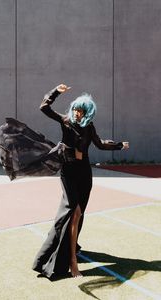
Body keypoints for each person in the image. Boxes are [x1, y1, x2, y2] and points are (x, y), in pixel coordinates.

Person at [32, 84, 129, 278]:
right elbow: (44, 107)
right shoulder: (66, 121)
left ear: (87, 112)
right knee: (72, 211)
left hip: (84, 173)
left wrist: (119, 145)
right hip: (68, 172)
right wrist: (56, 92)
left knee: (79, 214)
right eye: (75, 109)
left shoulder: (89, 127)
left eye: (81, 110)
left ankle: (71, 249)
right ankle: (70, 262)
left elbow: (100, 145)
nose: (77, 113)